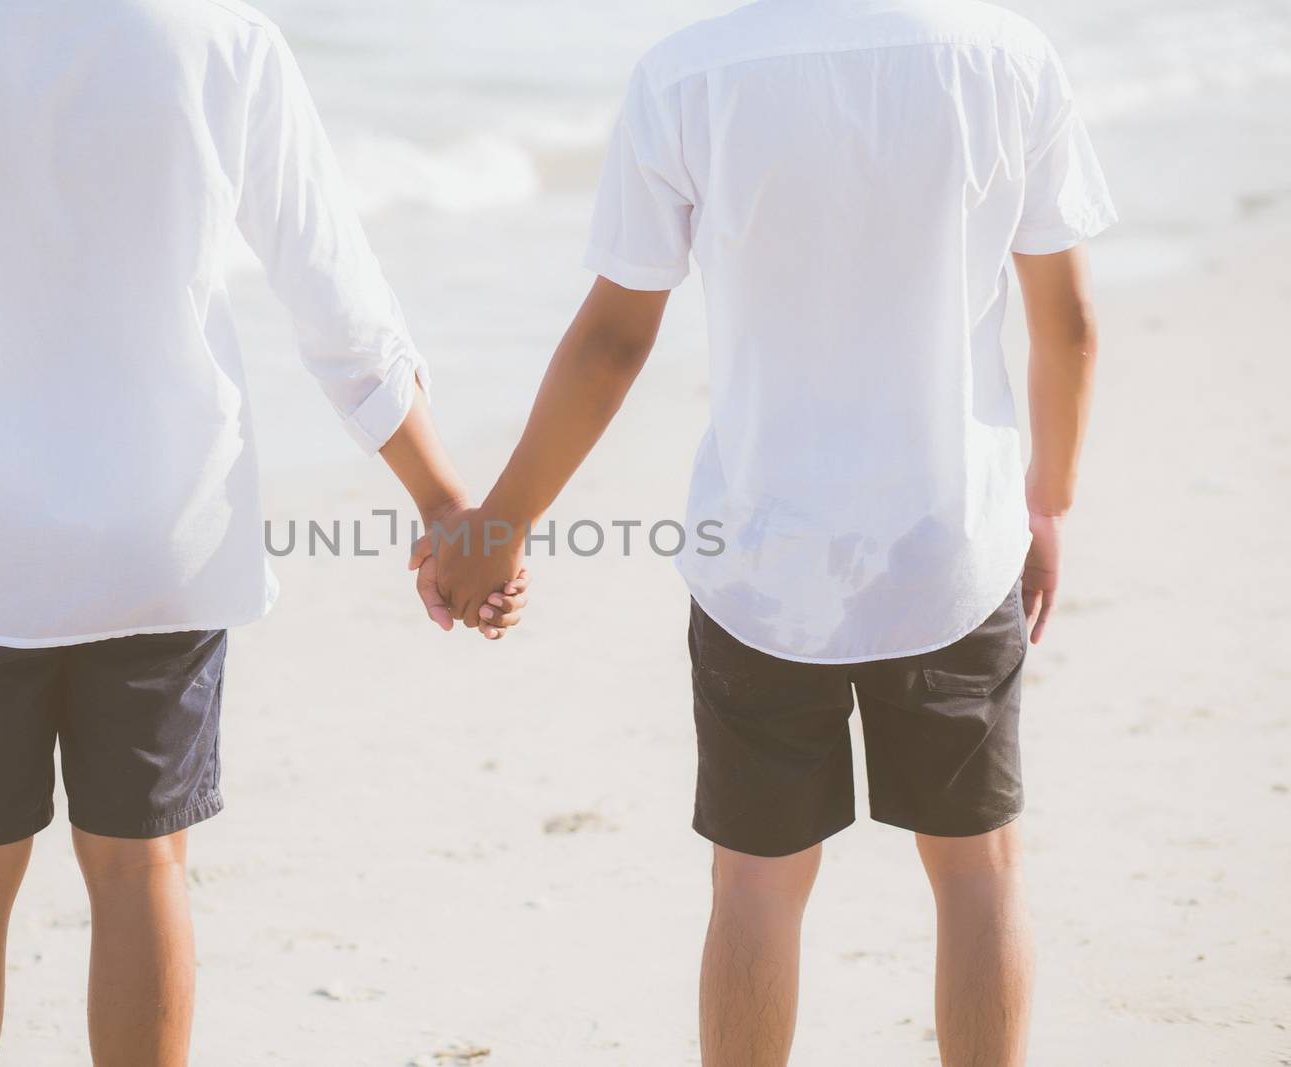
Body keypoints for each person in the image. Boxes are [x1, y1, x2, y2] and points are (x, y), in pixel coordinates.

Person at [0, 0, 523, 1062]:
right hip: (162, 538)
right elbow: (334, 292)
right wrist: (440, 500)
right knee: (142, 865)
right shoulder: (221, 36)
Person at [425, 0, 1115, 1063]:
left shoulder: (687, 74)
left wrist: (496, 528)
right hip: (949, 541)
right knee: (978, 867)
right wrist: (1047, 498)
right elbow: (1066, 320)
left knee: (755, 876)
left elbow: (612, 340)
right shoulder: (1004, 53)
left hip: (763, 556)